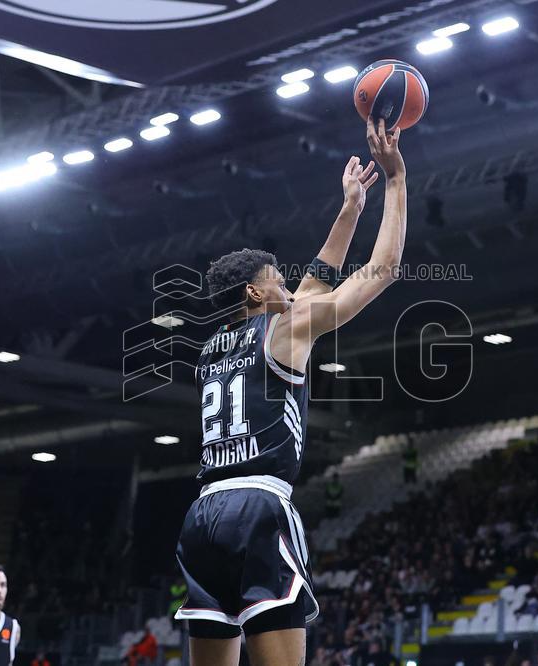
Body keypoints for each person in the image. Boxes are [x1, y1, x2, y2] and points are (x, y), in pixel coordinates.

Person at [173, 117, 407, 666]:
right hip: (258, 507)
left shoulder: (215, 347)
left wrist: (350, 209)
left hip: (203, 516)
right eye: (278, 277)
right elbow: (383, 269)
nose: (290, 283)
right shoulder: (283, 328)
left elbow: (315, 281)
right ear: (256, 291)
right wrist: (395, 181)